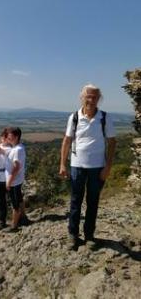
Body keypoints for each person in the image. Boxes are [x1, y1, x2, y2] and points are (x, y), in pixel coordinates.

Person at [59, 84, 117, 250]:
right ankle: (73, 235)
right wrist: (63, 163)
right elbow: (67, 140)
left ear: (99, 99)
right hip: (77, 165)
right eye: (88, 96)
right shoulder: (74, 117)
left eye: (94, 97)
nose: (91, 100)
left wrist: (108, 167)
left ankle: (89, 235)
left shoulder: (105, 117)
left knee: (93, 201)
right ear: (82, 98)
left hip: (98, 167)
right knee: (75, 201)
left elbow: (112, 142)